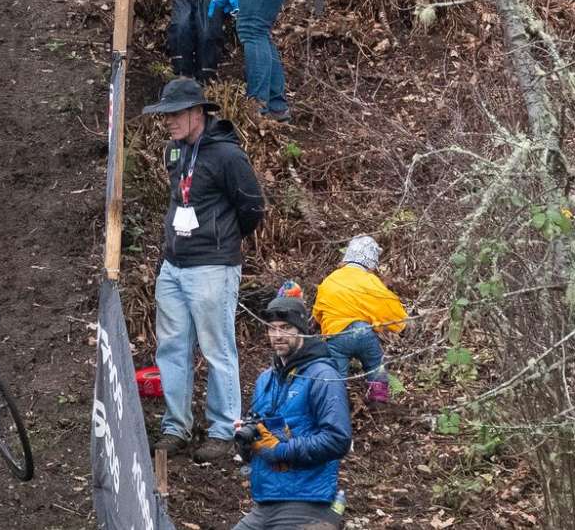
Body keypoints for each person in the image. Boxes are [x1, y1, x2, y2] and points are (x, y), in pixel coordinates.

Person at [140, 76, 266, 463]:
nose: (168, 121)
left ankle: (224, 429)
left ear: (198, 112)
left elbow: (252, 207)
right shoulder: (173, 152)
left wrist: (222, 241)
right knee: (171, 348)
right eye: (165, 115)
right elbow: (178, 200)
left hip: (212, 266)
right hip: (174, 265)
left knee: (217, 349)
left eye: (175, 114)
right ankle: (175, 427)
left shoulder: (227, 155)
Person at [233, 292, 353, 530]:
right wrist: (247, 443)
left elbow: (338, 439)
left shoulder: (323, 376)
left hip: (307, 501)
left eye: (286, 328)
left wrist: (279, 450)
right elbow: (261, 446)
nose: (277, 335)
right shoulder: (265, 379)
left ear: (302, 330)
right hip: (266, 501)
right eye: (272, 328)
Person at [310, 235, 406, 404]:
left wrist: (322, 325)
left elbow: (318, 311)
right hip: (364, 333)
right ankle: (379, 400)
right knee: (375, 364)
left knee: (336, 375)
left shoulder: (331, 280)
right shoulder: (370, 281)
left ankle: (335, 403)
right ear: (371, 262)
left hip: (336, 335)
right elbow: (387, 304)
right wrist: (401, 325)